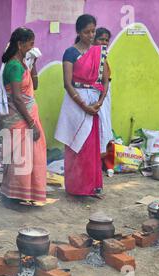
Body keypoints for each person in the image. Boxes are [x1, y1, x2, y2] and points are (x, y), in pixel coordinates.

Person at [54, 14, 110, 198]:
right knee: (76, 145)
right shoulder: (70, 53)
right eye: (87, 32)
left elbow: (105, 80)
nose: (91, 35)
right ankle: (76, 188)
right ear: (78, 32)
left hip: (94, 103)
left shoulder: (99, 52)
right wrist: (83, 105)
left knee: (90, 147)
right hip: (75, 102)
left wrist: (100, 101)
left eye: (93, 31)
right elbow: (67, 83)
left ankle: (91, 186)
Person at [0, 27, 47, 210]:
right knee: (21, 157)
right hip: (21, 117)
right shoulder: (13, 66)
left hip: (26, 115)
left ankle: (25, 194)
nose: (33, 47)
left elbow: (35, 84)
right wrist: (31, 123)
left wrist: (34, 63)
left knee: (31, 155)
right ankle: (14, 196)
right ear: (20, 44)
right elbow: (18, 98)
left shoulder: (22, 63)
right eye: (31, 44)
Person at [94, 27, 113, 156]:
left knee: (103, 127)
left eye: (107, 40)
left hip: (103, 96)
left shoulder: (103, 57)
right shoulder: (95, 57)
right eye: (101, 39)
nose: (105, 42)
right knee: (99, 127)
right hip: (97, 95)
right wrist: (100, 100)